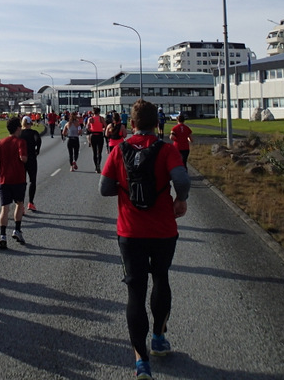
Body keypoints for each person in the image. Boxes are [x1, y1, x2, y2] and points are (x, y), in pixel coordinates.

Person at [99, 99, 191, 380]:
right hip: (163, 229)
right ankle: (159, 337)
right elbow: (182, 179)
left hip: (130, 231)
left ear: (133, 124)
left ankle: (141, 362)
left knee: (135, 292)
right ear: (156, 123)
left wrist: (127, 190)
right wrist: (180, 199)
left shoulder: (120, 149)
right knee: (161, 279)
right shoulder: (166, 149)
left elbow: (104, 189)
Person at [0, 117, 28, 250]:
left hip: (4, 179)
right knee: (19, 204)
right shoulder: (20, 142)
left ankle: (2, 235)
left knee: (4, 208)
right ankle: (17, 230)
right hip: (18, 179)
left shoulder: (1, 142)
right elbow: (23, 158)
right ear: (18, 128)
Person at [20, 115, 42, 212]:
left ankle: (21, 205)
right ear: (30, 123)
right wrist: (37, 149)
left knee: (21, 182)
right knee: (32, 180)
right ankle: (31, 202)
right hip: (32, 157)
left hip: (21, 158)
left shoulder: (19, 133)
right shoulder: (34, 132)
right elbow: (38, 140)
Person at [86, 107, 106, 173]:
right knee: (99, 152)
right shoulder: (101, 118)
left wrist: (91, 130)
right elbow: (105, 126)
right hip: (100, 135)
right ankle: (98, 165)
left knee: (94, 152)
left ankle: (96, 167)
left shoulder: (91, 119)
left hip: (93, 135)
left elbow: (87, 127)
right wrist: (102, 129)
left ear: (93, 112)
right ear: (99, 112)